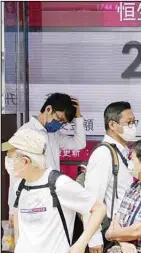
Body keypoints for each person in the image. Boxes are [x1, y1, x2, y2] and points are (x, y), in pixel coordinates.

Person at [2, 129, 106, 253]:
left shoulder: (59, 183)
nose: (7, 162)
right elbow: (17, 215)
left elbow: (99, 208)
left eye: (10, 157)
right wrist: (18, 246)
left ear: (26, 161)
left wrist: (80, 244)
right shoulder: (19, 185)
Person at [5, 93, 86, 228]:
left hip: (52, 199)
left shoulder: (54, 135)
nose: (59, 124)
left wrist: (78, 118)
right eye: (59, 118)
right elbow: (16, 175)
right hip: (31, 201)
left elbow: (79, 143)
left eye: (63, 123)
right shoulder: (25, 132)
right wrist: (13, 210)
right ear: (48, 109)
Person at [82, 101, 137, 253]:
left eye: (134, 121)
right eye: (129, 122)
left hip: (124, 233)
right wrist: (94, 238)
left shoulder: (125, 151)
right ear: (112, 124)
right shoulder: (103, 154)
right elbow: (92, 199)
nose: (133, 126)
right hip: (111, 235)